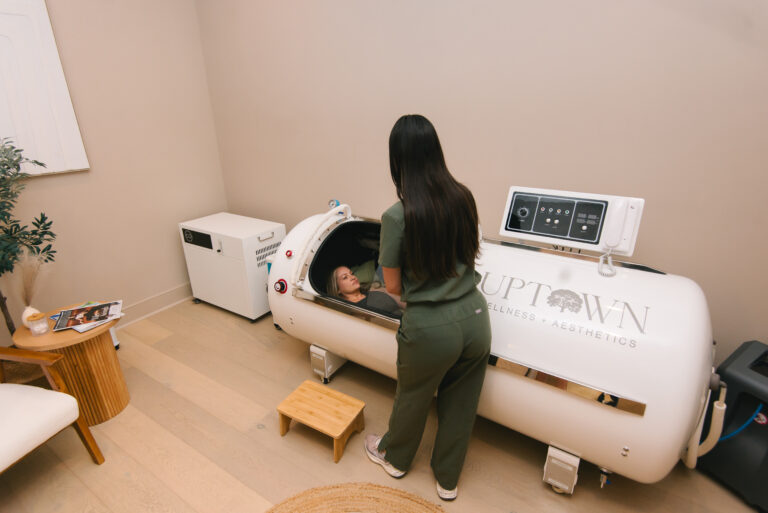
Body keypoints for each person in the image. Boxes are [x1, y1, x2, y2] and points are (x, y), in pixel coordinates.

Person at [364, 114, 491, 501]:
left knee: (413, 396)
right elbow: (471, 255)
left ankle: (395, 458)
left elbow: (392, 286)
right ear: (436, 151)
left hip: (431, 330)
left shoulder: (397, 215)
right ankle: (447, 480)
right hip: (475, 318)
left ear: (397, 161)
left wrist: (422, 300)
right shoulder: (463, 197)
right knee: (462, 403)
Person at [327, 265, 402, 318]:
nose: (352, 277)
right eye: (345, 277)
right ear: (338, 289)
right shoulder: (351, 313)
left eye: (352, 273)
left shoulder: (375, 289)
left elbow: (404, 302)